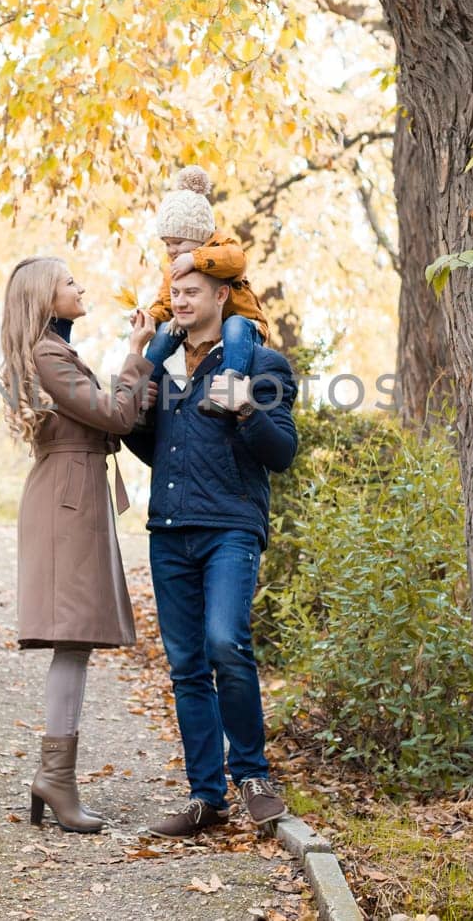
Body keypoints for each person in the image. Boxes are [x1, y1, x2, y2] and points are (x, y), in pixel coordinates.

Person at [124, 269, 299, 837]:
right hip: (170, 530)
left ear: (222, 296)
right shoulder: (167, 363)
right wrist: (139, 408)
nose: (179, 300)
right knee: (187, 668)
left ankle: (252, 776)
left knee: (226, 641)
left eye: (192, 292)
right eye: (175, 292)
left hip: (230, 525)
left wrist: (246, 407)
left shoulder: (261, 364)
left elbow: (283, 453)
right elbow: (156, 449)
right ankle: (206, 798)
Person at [0, 256, 157, 834]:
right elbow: (115, 416)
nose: (81, 286)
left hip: (74, 497)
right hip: (67, 502)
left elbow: (110, 416)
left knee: (77, 643)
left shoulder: (52, 353)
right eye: (69, 282)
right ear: (46, 297)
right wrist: (137, 350)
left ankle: (55, 778)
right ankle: (55, 779)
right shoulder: (48, 355)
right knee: (73, 640)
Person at [143, 166, 271, 416]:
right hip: (201, 328)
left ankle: (228, 387)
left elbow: (237, 261)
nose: (171, 250)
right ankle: (146, 394)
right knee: (162, 335)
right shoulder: (173, 268)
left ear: (200, 237)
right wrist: (151, 316)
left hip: (244, 325)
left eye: (178, 242)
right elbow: (166, 301)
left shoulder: (221, 247)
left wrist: (195, 259)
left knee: (233, 324)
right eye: (167, 244)